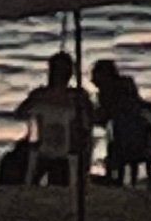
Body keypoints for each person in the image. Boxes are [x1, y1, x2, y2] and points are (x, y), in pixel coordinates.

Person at [15, 51, 94, 186]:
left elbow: (20, 113)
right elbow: (88, 121)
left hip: (41, 146)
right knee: (84, 138)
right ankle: (78, 177)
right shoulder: (77, 96)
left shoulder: (39, 95)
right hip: (69, 147)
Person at [90, 59, 151, 187]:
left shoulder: (107, 94)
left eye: (94, 75)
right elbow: (143, 106)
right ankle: (123, 181)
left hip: (130, 141)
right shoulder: (127, 85)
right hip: (145, 136)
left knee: (114, 147)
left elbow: (104, 118)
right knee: (116, 142)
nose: (92, 80)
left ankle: (115, 181)